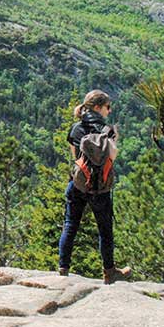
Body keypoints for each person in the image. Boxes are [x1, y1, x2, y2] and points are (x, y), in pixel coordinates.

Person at [58, 89, 131, 284]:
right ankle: (109, 272)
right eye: (108, 107)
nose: (109, 110)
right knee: (105, 229)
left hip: (79, 184)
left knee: (70, 224)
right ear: (98, 108)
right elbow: (112, 157)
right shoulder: (108, 131)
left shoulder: (76, 129)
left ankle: (63, 267)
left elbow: (75, 158)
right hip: (101, 187)